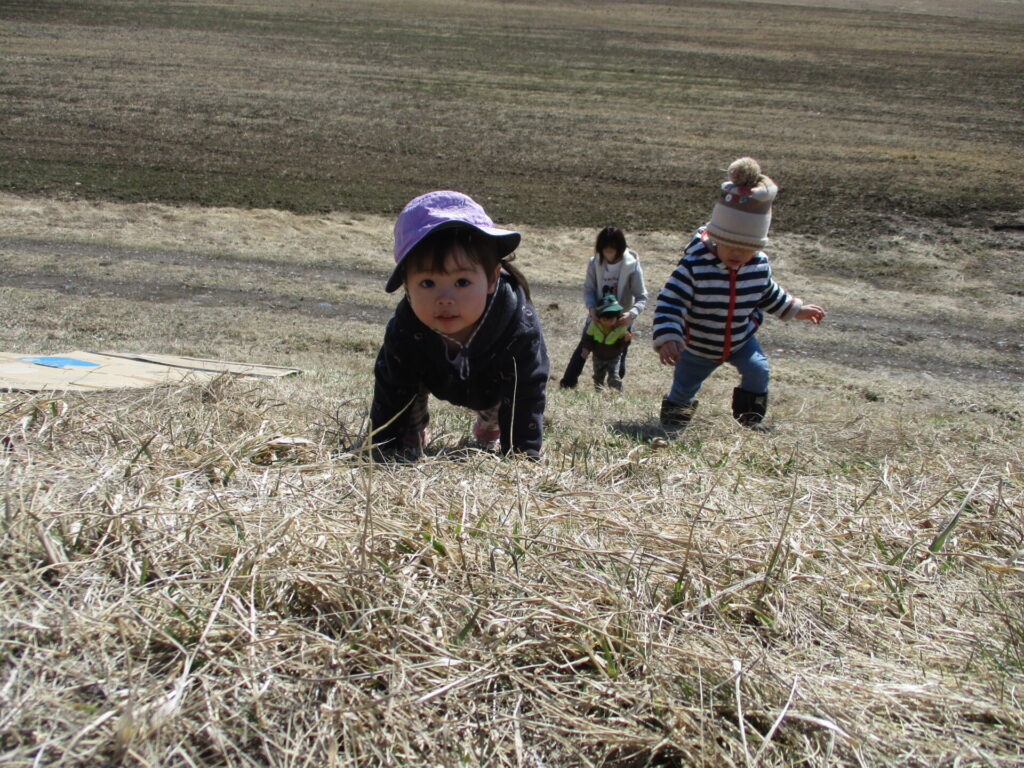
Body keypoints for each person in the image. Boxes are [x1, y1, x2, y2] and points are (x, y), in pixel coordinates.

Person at [368, 190, 548, 458]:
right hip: (433, 376)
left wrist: (523, 454)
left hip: (494, 384)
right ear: (407, 287)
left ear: (491, 279)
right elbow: (391, 388)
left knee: (502, 407)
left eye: (462, 282)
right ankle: (412, 432)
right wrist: (383, 447)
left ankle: (489, 428)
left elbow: (527, 391)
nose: (444, 299)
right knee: (405, 393)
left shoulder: (517, 328)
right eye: (427, 283)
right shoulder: (405, 330)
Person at [652, 157, 826, 431]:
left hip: (740, 339)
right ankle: (674, 421)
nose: (736, 254)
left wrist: (796, 309)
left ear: (757, 247)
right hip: (698, 344)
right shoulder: (695, 266)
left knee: (758, 370)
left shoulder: (757, 266)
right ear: (715, 238)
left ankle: (750, 420)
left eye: (746, 249)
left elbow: (767, 294)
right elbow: (671, 301)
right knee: (685, 386)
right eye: (729, 246)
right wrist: (669, 337)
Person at [558, 226, 647, 389]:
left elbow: (641, 296)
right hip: (598, 317)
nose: (609, 254)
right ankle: (568, 382)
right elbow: (589, 289)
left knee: (620, 352)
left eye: (612, 250)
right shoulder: (595, 263)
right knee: (584, 347)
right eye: (605, 250)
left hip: (621, 320)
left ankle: (615, 388)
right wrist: (592, 309)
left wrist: (631, 314)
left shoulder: (631, 265)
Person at [580, 294, 633, 391]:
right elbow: (588, 338)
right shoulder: (594, 326)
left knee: (614, 377)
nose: (608, 322)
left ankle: (617, 394)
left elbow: (622, 346)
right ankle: (598, 391)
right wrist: (586, 349)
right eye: (605, 319)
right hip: (598, 356)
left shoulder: (620, 328)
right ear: (599, 317)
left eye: (612, 319)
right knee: (598, 376)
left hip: (614, 357)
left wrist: (625, 340)